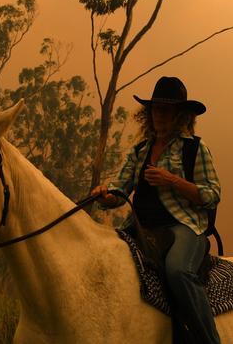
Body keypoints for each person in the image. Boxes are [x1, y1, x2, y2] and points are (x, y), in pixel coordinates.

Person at [91, 76, 222, 344]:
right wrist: (105, 195)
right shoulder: (140, 151)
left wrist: (172, 180)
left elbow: (212, 195)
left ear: (179, 115)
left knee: (177, 271)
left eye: (166, 109)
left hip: (183, 227)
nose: (159, 115)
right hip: (140, 227)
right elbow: (120, 190)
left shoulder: (195, 149)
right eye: (155, 109)